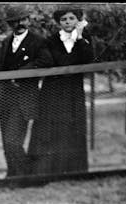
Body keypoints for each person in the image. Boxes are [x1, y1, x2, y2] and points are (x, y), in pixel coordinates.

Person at [28, 6, 94, 175]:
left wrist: (79, 37)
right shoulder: (50, 41)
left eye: (71, 18)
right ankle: (47, 171)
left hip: (74, 91)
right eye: (64, 19)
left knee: (74, 127)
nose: (68, 22)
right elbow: (61, 61)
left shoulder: (84, 39)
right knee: (51, 128)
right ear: (58, 22)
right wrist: (75, 58)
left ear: (78, 20)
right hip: (53, 92)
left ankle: (74, 171)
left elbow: (88, 59)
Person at [0, 6, 53, 177]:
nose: (19, 24)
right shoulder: (6, 42)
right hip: (5, 99)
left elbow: (46, 61)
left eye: (22, 20)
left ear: (28, 20)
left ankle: (26, 174)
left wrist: (20, 75)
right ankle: (13, 175)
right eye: (14, 21)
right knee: (7, 142)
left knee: (12, 140)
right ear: (10, 24)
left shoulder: (38, 41)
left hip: (24, 99)